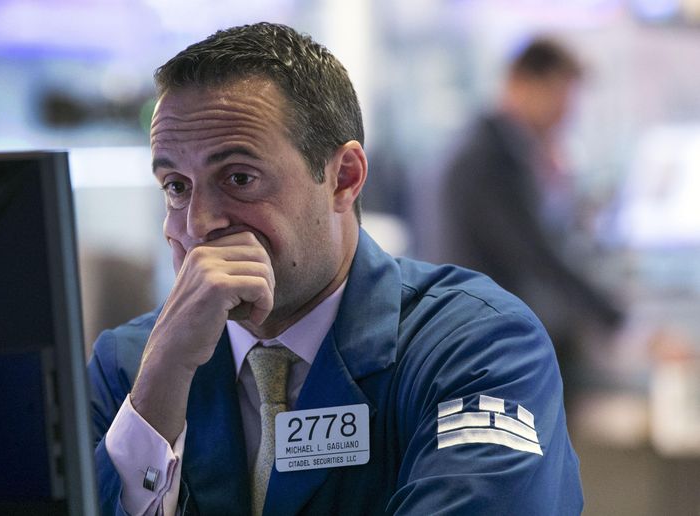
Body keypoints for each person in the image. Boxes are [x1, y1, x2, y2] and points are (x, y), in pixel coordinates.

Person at [88, 23, 582, 515]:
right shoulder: (129, 371)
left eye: (239, 178)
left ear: (344, 178)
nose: (198, 225)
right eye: (176, 186)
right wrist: (156, 395)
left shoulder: (478, 348)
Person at [435, 37, 623, 405]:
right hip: (488, 355)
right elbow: (537, 254)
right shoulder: (489, 159)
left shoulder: (506, 152)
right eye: (558, 95)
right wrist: (617, 318)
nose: (565, 112)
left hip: (496, 343)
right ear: (520, 84)